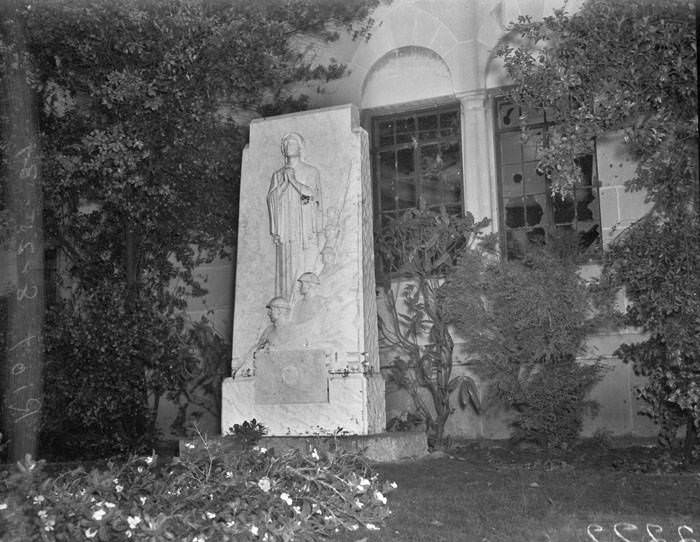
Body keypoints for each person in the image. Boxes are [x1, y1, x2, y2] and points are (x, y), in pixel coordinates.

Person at [267, 133, 323, 300]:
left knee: (301, 266)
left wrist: (293, 181)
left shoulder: (310, 171)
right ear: (283, 149)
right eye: (286, 144)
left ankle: (299, 301)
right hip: (285, 230)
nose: (289, 146)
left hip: (303, 229)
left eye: (293, 143)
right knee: (285, 269)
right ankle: (285, 302)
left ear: (300, 147)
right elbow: (272, 200)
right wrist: (284, 184)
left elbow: (312, 197)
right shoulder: (278, 175)